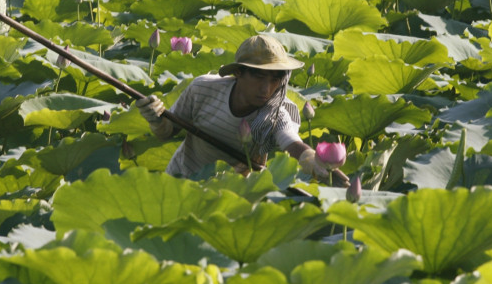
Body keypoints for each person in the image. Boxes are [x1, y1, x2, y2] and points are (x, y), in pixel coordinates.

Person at [136, 34, 349, 186]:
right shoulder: (202, 89)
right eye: (258, 77)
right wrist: (155, 118)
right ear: (238, 72)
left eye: (274, 79)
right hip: (180, 181)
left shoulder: (274, 113)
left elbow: (292, 144)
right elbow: (167, 132)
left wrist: (318, 165)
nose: (266, 89)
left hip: (232, 196)